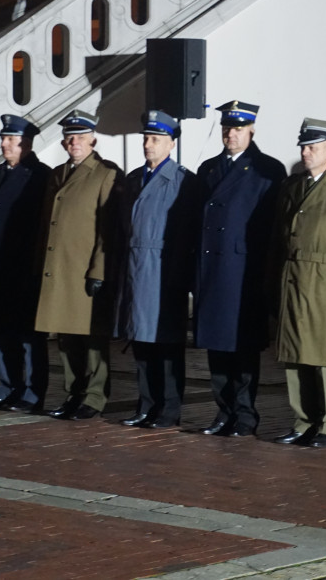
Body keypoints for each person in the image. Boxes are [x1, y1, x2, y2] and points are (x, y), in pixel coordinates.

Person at [194, 100, 285, 437]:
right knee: (216, 347)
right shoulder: (208, 169)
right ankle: (224, 411)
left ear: (252, 131)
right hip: (213, 271)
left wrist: (266, 276)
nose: (230, 134)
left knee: (243, 348)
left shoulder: (267, 170)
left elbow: (271, 228)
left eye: (237, 129)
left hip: (244, 272)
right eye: (226, 128)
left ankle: (245, 415)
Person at [270, 118, 326, 448]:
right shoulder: (292, 187)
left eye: (314, 147)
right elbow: (278, 238)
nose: (306, 153)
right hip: (292, 277)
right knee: (294, 352)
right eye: (304, 147)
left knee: (325, 354)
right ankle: (303, 420)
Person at [35, 110, 121, 421]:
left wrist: (98, 269)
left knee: (92, 338)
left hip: (85, 270)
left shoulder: (105, 173)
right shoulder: (57, 173)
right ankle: (73, 393)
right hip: (59, 269)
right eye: (70, 138)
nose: (75, 142)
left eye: (81, 137)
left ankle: (94, 397)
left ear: (93, 140)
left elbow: (107, 228)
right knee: (67, 337)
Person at [116, 110, 198, 429]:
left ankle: (169, 408)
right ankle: (146, 403)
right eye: (146, 139)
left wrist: (179, 275)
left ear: (171, 143)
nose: (148, 145)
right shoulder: (134, 178)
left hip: (164, 271)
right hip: (137, 269)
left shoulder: (181, 181)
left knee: (166, 344)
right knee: (142, 343)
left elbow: (185, 231)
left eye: (156, 139)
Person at [0, 115, 51, 413]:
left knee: (29, 336)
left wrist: (36, 268)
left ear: (27, 143)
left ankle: (32, 393)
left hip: (23, 267)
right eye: (3, 139)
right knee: (1, 331)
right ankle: (6, 387)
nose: (4, 144)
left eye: (11, 139)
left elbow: (41, 226)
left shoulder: (40, 175)